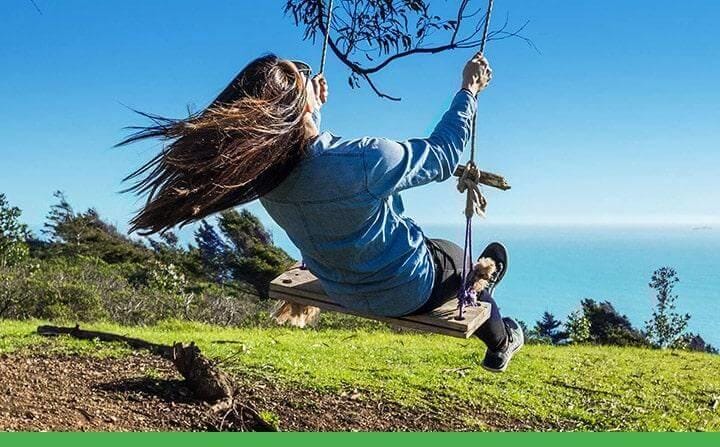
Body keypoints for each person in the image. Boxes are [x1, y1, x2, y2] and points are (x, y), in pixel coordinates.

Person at [120, 52, 524, 372]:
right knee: (463, 264)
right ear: (296, 106)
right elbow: (441, 155)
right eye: (301, 76)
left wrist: (310, 113)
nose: (308, 75)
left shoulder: (264, 177)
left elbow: (313, 169)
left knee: (431, 249)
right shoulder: (366, 160)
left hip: (343, 290)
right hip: (406, 290)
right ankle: (502, 340)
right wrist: (468, 90)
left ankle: (488, 317)